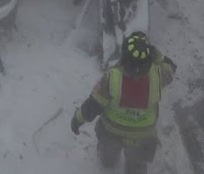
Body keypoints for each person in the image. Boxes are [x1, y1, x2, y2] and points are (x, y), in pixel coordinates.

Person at [71, 31, 177, 174]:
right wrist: (157, 54)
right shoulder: (159, 76)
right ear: (149, 58)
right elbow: (171, 67)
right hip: (142, 136)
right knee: (137, 164)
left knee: (107, 155)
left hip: (112, 131)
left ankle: (108, 162)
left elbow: (93, 105)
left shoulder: (111, 78)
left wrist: (78, 119)